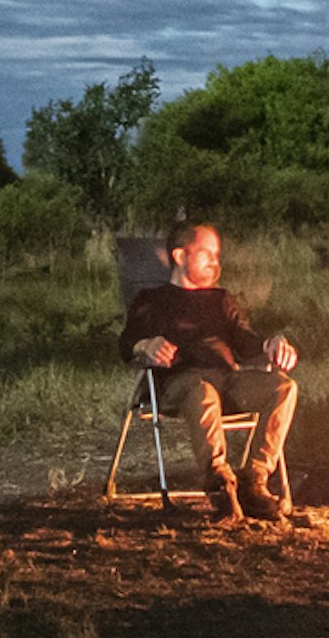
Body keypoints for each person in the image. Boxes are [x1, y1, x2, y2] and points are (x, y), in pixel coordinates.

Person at [125, 220, 302, 522]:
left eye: (217, 254)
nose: (215, 261)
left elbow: (246, 341)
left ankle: (254, 481)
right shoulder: (153, 300)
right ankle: (220, 484)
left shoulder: (221, 300)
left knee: (283, 387)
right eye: (206, 253)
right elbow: (127, 342)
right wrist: (146, 345)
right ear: (180, 256)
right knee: (200, 388)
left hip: (227, 381)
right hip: (180, 384)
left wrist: (272, 343)